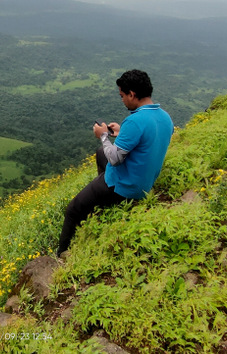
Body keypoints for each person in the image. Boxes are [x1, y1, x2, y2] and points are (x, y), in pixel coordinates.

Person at [56, 69, 174, 256]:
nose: (122, 100)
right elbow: (146, 141)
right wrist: (120, 133)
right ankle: (101, 202)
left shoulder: (135, 121)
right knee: (100, 153)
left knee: (72, 210)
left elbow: (115, 159)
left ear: (132, 94)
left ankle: (60, 255)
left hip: (127, 185)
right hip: (145, 181)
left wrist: (103, 136)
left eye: (122, 96)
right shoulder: (164, 117)